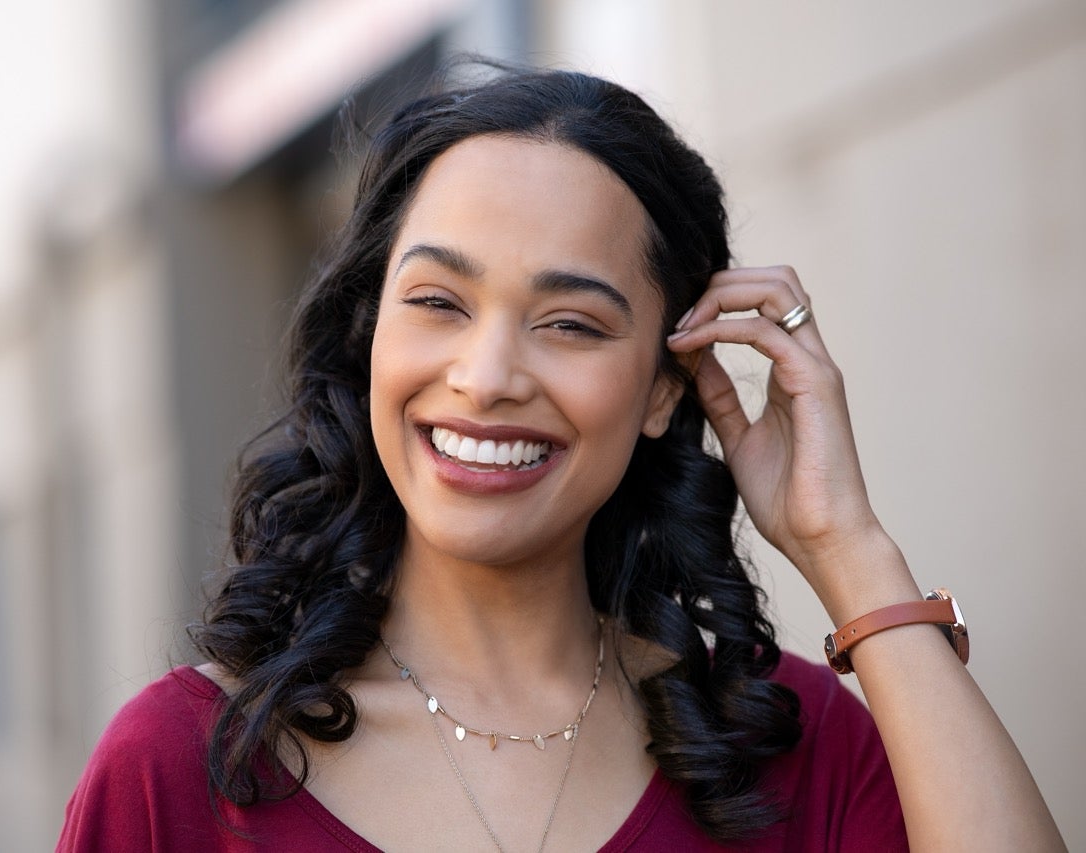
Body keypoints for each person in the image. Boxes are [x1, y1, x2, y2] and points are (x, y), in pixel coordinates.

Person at [57, 64, 1065, 851]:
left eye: (571, 323)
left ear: (663, 386)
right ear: (370, 339)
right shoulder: (183, 767)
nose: (487, 376)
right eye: (438, 302)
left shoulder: (792, 747)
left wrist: (845, 545)